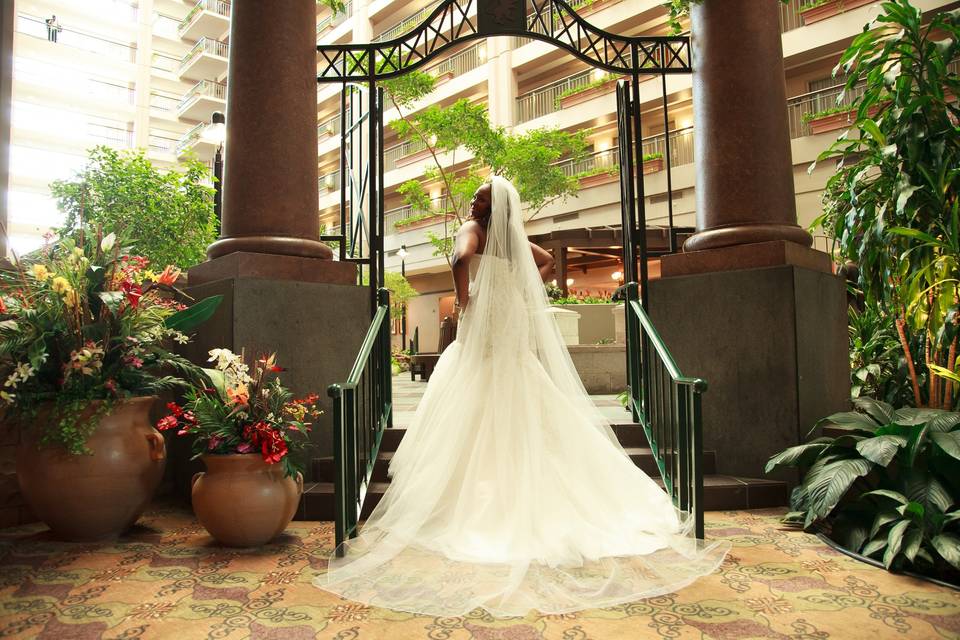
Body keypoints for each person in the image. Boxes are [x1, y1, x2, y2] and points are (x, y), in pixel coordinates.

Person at [314, 176, 729, 617]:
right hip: (508, 320)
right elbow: (547, 262)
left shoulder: (471, 230)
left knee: (473, 390)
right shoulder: (511, 237)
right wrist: (515, 289)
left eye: (479, 197)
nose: (473, 200)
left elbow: (459, 258)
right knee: (517, 388)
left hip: (484, 322)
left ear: (490, 208)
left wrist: (465, 297)